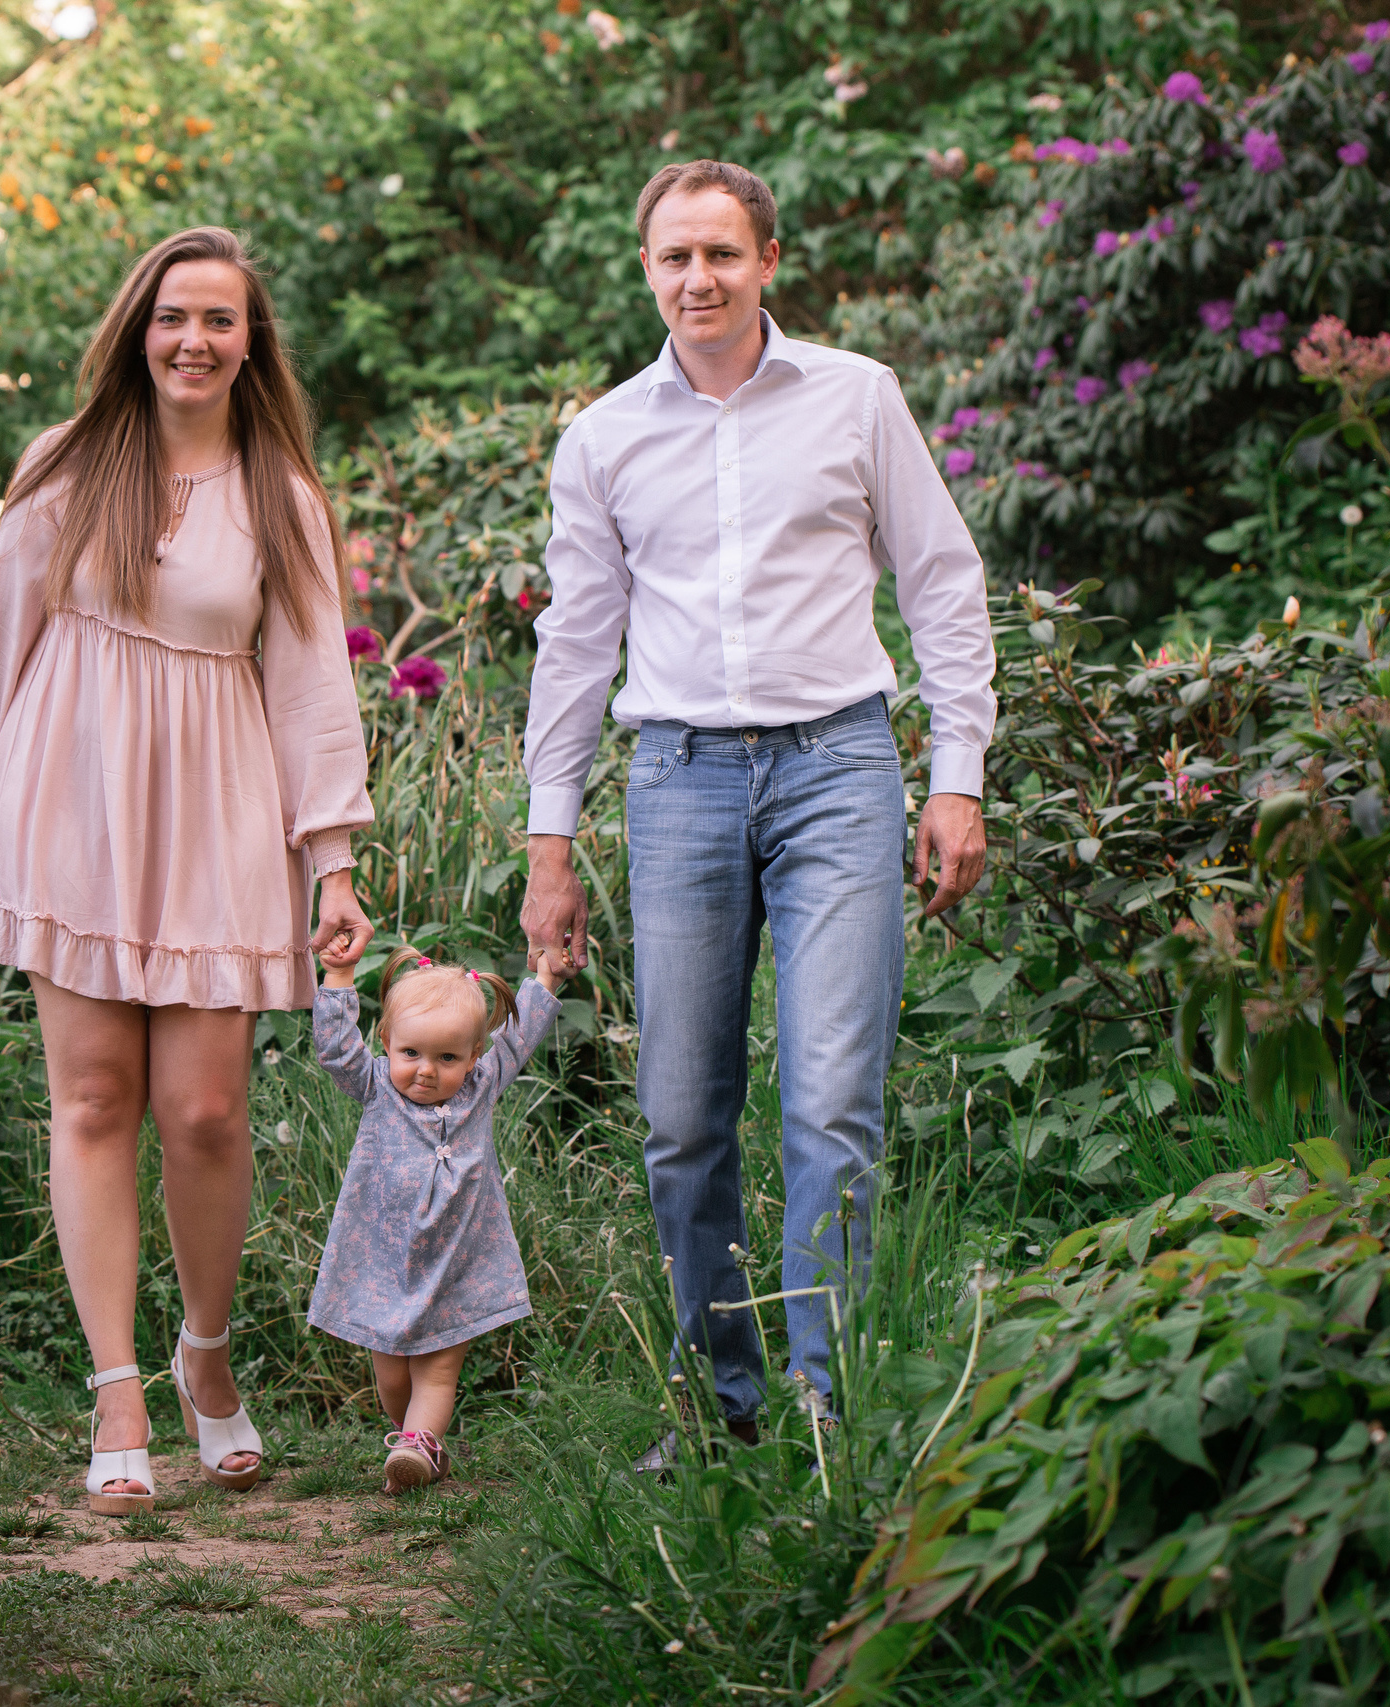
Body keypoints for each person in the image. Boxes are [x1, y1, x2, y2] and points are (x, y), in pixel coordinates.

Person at [517, 161, 997, 1467]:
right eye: (674, 257)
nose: (698, 279)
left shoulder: (857, 399)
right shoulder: (605, 436)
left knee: (831, 1096)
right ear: (646, 271)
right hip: (677, 781)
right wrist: (547, 842)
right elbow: (576, 646)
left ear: (770, 259)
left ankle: (824, 1403)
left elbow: (945, 585)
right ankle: (723, 1407)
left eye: (722, 253)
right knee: (682, 1113)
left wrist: (956, 771)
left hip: (839, 769)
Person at [0, 227, 374, 1513]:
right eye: (174, 316)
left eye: (221, 320)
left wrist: (332, 861)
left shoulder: (281, 496)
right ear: (139, 327)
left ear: (249, 344)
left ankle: (205, 1362)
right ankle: (116, 1390)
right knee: (95, 1100)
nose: (194, 340)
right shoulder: (70, 463)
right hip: (74, 792)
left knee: (207, 1111)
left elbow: (312, 683)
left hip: (220, 804)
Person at [306, 933, 571, 1492]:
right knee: (392, 1376)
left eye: (447, 1057)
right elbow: (335, 1049)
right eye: (411, 1054)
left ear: (474, 1056)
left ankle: (418, 1446)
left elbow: (519, 1036)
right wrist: (338, 979)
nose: (426, 1071)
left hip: (458, 1261)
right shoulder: (376, 1086)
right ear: (387, 1042)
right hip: (385, 1263)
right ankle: (417, 1444)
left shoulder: (480, 1088)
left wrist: (545, 980)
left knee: (438, 1369)